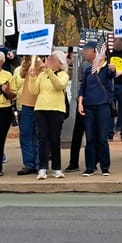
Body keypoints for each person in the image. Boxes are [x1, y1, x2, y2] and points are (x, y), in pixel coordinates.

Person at [77, 41, 117, 177]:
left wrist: (113, 70)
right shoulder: (88, 69)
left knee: (102, 137)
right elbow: (83, 87)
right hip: (89, 106)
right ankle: (90, 166)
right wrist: (80, 102)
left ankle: (105, 167)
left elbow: (113, 76)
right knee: (90, 138)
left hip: (103, 106)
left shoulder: (107, 69)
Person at [29, 51, 70, 179]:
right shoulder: (42, 75)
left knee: (54, 139)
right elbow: (34, 90)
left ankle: (57, 168)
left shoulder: (63, 75)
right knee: (42, 139)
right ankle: (42, 168)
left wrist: (50, 72)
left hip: (56, 109)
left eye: (52, 60)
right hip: (41, 108)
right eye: (49, 59)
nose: (49, 62)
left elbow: (59, 86)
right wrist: (33, 77)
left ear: (60, 63)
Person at [13, 55, 40, 176]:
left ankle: (40, 163)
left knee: (39, 135)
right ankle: (29, 164)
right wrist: (28, 59)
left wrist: (38, 61)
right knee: (26, 134)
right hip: (26, 103)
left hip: (41, 103)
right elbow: (22, 74)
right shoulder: (28, 61)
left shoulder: (47, 61)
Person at [109, 37, 122, 141]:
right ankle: (110, 132)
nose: (115, 45)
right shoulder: (110, 54)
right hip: (111, 84)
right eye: (114, 43)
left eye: (117, 43)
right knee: (111, 109)